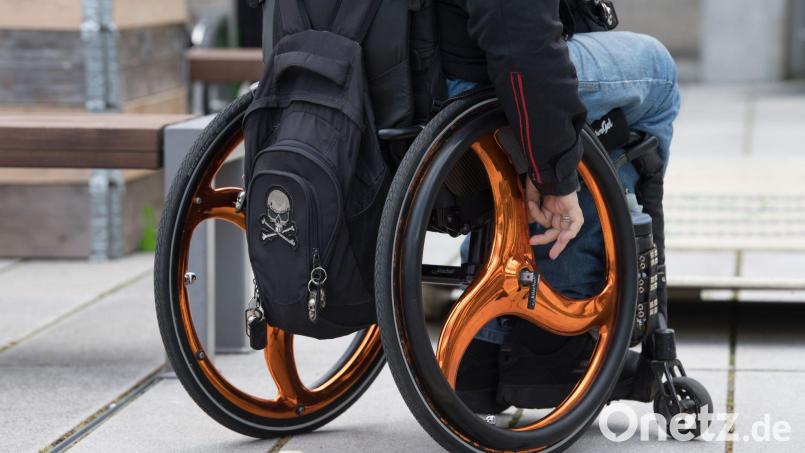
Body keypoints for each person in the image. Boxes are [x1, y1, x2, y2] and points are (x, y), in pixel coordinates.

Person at [440, 0, 681, 412]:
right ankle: (557, 335)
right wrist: (556, 176)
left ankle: (485, 347)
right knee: (655, 71)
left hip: (400, 78)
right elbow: (519, 36)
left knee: (553, 101)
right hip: (478, 71)